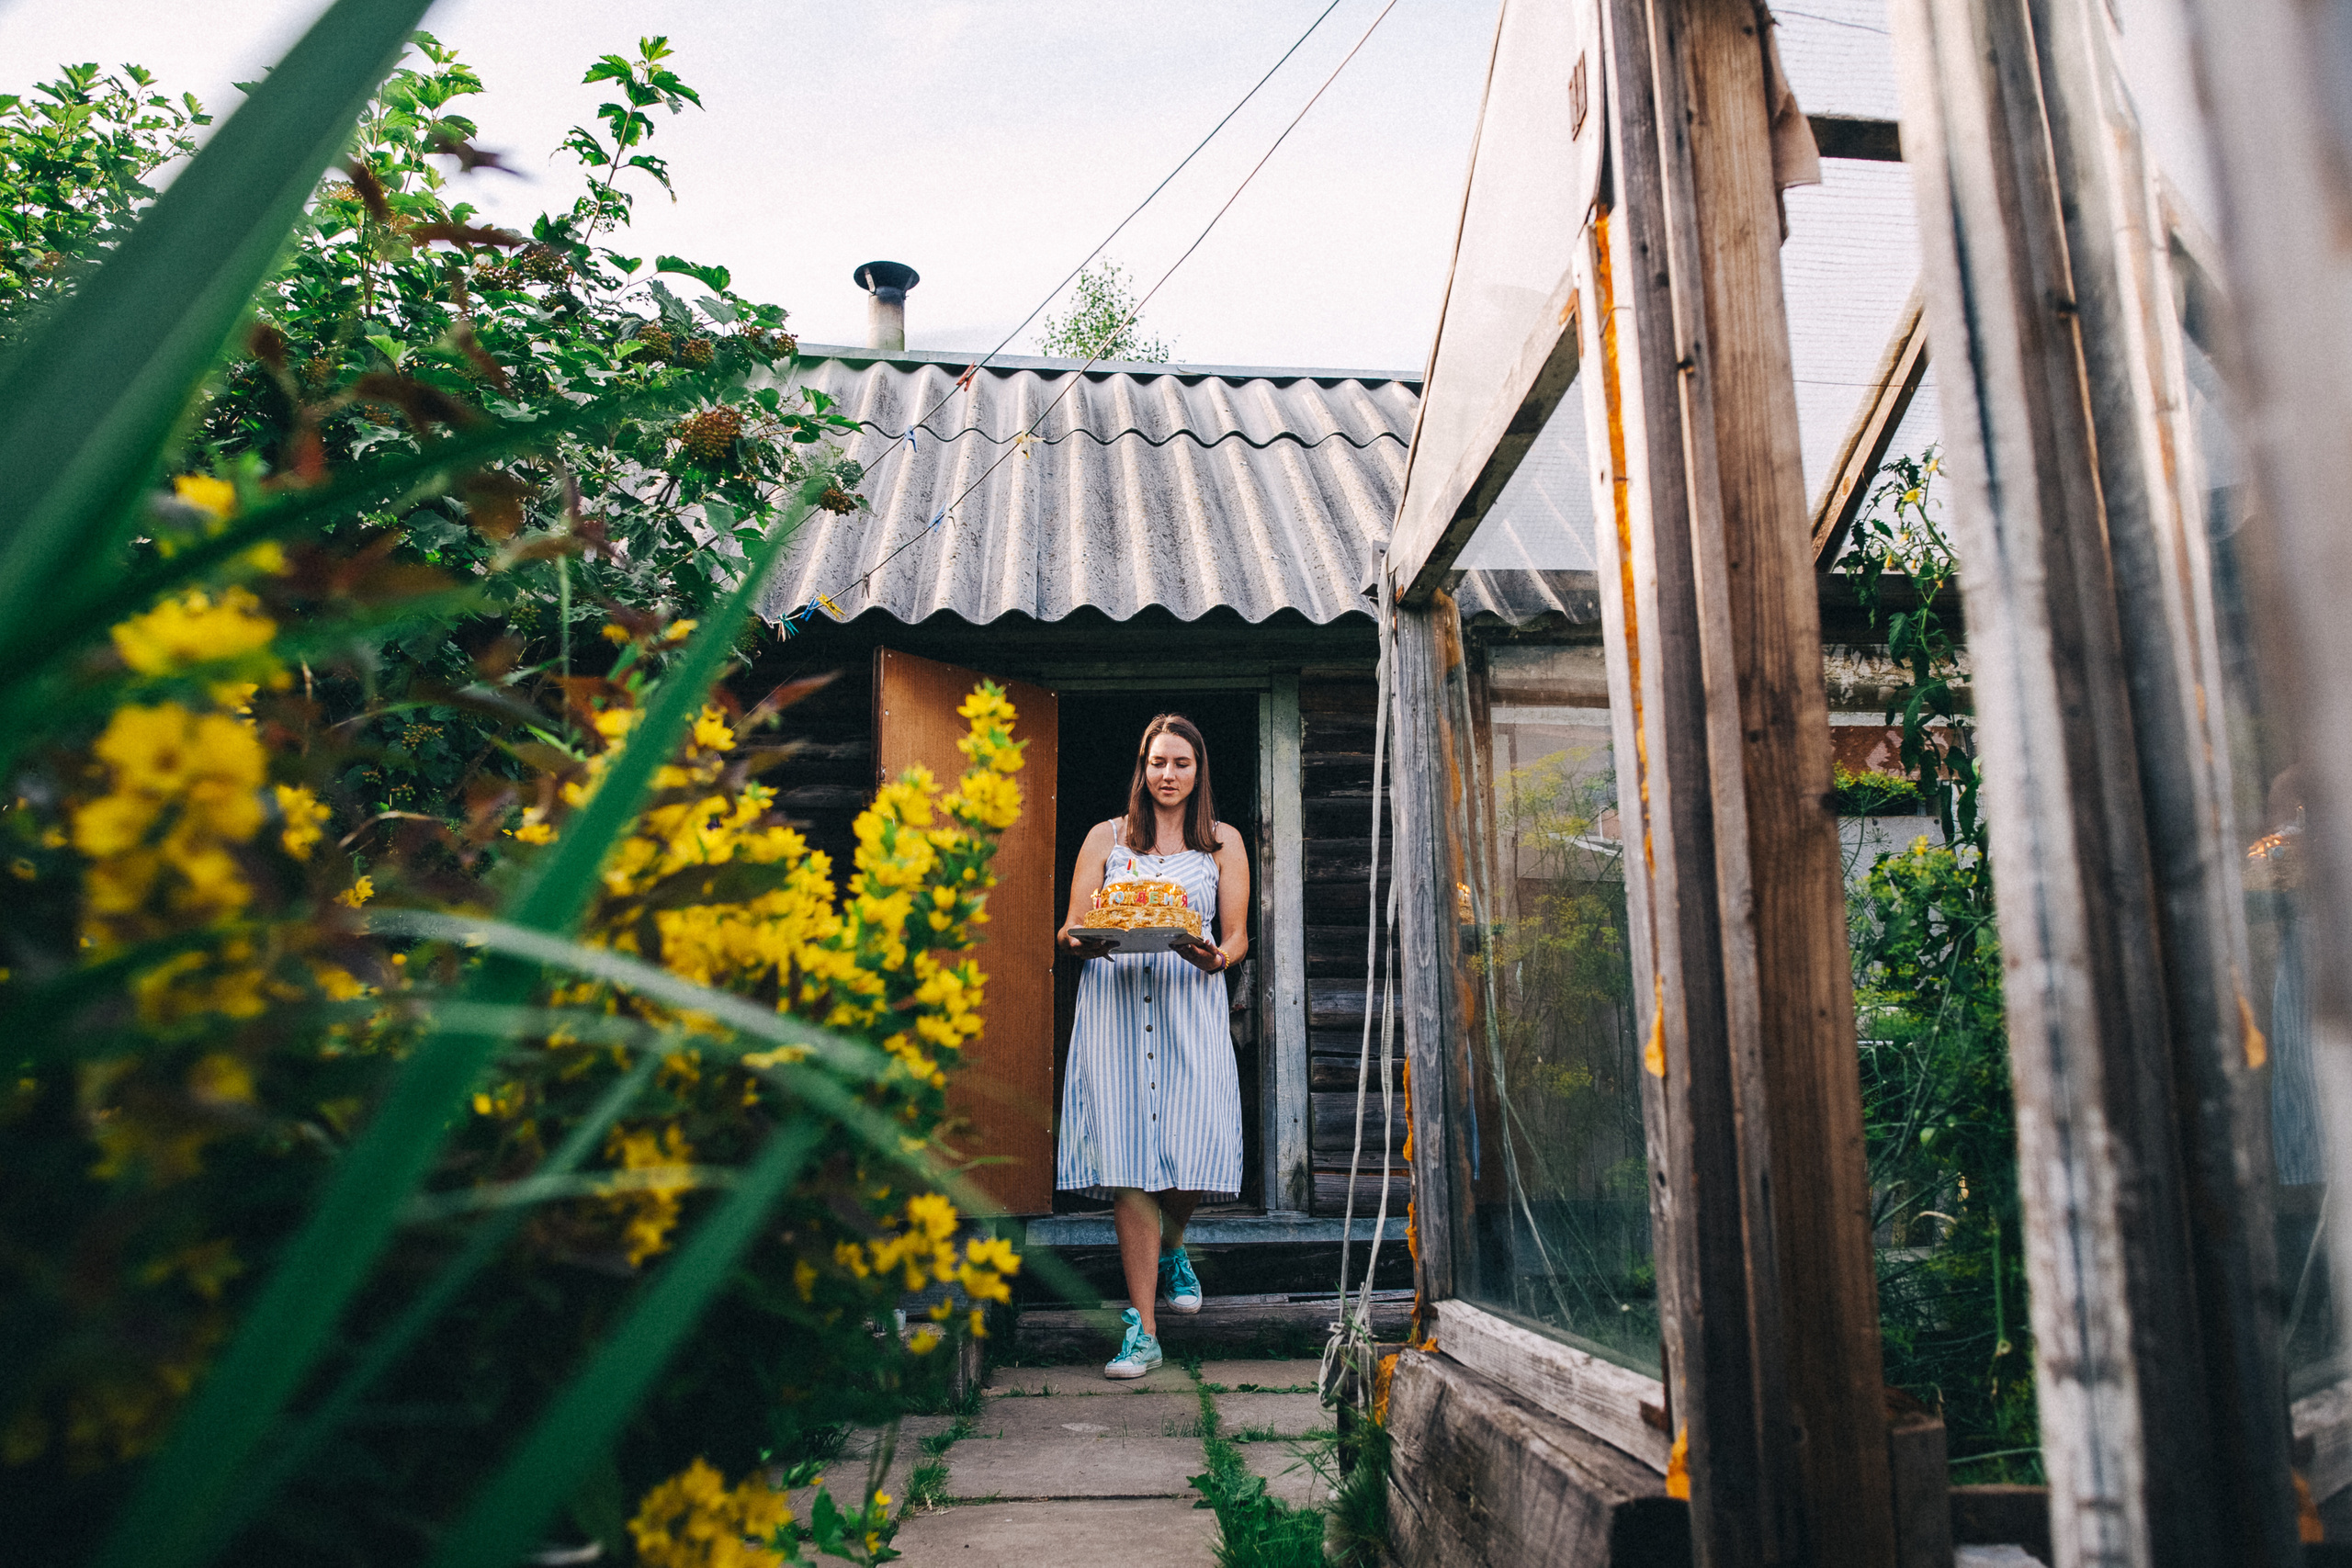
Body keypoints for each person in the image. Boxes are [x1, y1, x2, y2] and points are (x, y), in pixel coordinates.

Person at [1056, 713, 1250, 1379]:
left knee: (1196, 1150)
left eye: (1181, 763)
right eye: (1157, 762)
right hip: (1114, 1009)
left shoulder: (1222, 843)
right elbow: (1072, 929)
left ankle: (1173, 1244)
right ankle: (1143, 1331)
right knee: (1129, 1162)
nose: (1168, 775)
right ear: (1142, 768)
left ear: (1199, 772)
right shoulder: (1105, 839)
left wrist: (1218, 957)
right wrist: (1089, 940)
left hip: (1189, 1007)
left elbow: (1237, 933)